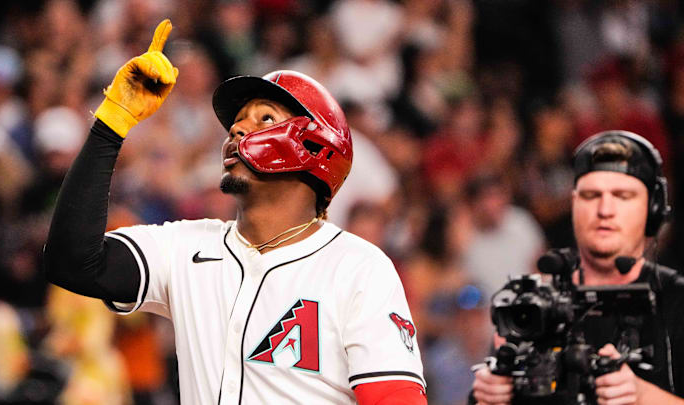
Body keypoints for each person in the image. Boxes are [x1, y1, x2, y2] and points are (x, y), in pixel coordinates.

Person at [43, 20, 427, 405]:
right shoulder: (187, 247)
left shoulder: (358, 268)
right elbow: (73, 263)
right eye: (237, 120)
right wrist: (111, 124)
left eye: (265, 119)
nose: (237, 130)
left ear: (314, 148)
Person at [470, 130, 684, 405]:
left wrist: (643, 397)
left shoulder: (677, 300)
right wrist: (489, 396)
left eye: (622, 195)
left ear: (653, 209)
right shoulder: (531, 307)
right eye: (591, 195)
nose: (605, 209)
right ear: (574, 204)